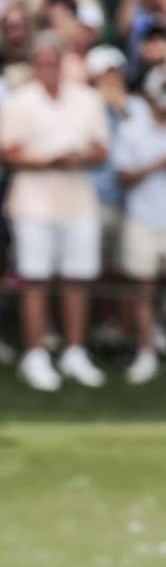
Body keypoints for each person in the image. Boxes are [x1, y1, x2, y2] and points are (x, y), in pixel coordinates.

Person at [0, 31, 109, 392]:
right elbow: (6, 152)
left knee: (78, 277)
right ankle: (36, 354)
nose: (48, 68)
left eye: (54, 61)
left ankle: (75, 351)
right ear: (34, 65)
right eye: (42, 62)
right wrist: (47, 160)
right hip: (33, 204)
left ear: (63, 63)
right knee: (35, 279)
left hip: (79, 202)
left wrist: (78, 157)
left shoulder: (88, 99)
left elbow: (101, 150)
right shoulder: (17, 101)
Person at [112, 65, 166, 384]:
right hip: (142, 220)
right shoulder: (133, 129)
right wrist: (154, 165)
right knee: (142, 290)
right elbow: (123, 176)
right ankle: (146, 351)